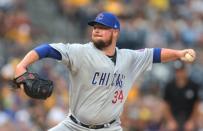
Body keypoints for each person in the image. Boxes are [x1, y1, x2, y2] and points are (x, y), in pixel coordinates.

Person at [14, 12, 196, 131]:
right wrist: (21, 66)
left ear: (115, 32)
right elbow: (47, 49)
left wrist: (179, 53)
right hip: (73, 126)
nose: (97, 31)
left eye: (102, 28)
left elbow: (155, 54)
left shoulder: (129, 58)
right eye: (95, 27)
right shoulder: (81, 52)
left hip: (110, 128)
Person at [163, 61, 200, 131]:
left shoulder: (193, 86)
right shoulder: (169, 86)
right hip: (174, 117)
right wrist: (170, 120)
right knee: (169, 127)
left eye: (181, 71)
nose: (179, 73)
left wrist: (192, 121)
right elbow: (166, 106)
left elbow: (196, 105)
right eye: (177, 71)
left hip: (188, 117)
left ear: (185, 71)